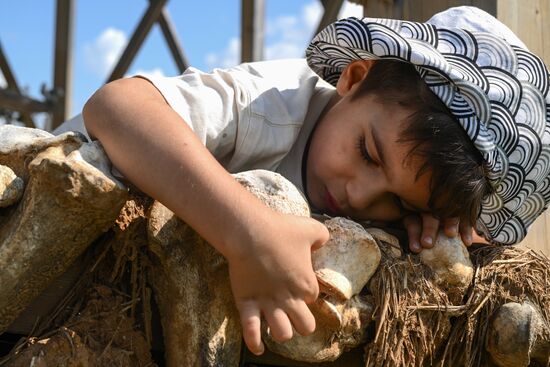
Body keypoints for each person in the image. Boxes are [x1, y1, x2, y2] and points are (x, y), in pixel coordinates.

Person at [80, 6, 550, 356]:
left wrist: (429, 231)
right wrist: (247, 233)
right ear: (354, 78)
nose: (360, 196)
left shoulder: (381, 191)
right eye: (368, 152)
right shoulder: (268, 105)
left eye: (400, 203)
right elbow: (117, 106)